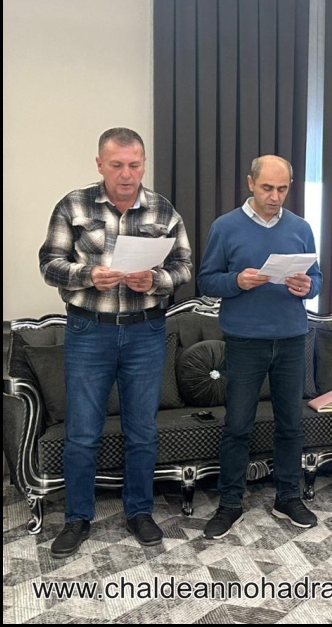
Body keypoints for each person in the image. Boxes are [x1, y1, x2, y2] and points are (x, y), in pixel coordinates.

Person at [38, 127, 192, 558]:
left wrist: (156, 280)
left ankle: (139, 512)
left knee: (141, 431)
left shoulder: (163, 209)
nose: (127, 174)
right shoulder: (73, 205)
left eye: (134, 165)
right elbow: (49, 263)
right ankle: (77, 518)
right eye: (117, 165)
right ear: (100, 164)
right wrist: (87, 275)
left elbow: (184, 266)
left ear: (143, 164)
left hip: (146, 330)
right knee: (82, 432)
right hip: (90, 330)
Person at [197, 155, 322, 539]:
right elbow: (207, 281)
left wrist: (308, 287)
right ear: (250, 183)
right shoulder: (225, 227)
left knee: (291, 424)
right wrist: (237, 281)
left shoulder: (300, 227)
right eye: (267, 188)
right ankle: (230, 503)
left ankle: (288, 497)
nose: (275, 196)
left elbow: (316, 279)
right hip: (244, 340)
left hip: (291, 338)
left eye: (282, 189)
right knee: (237, 425)